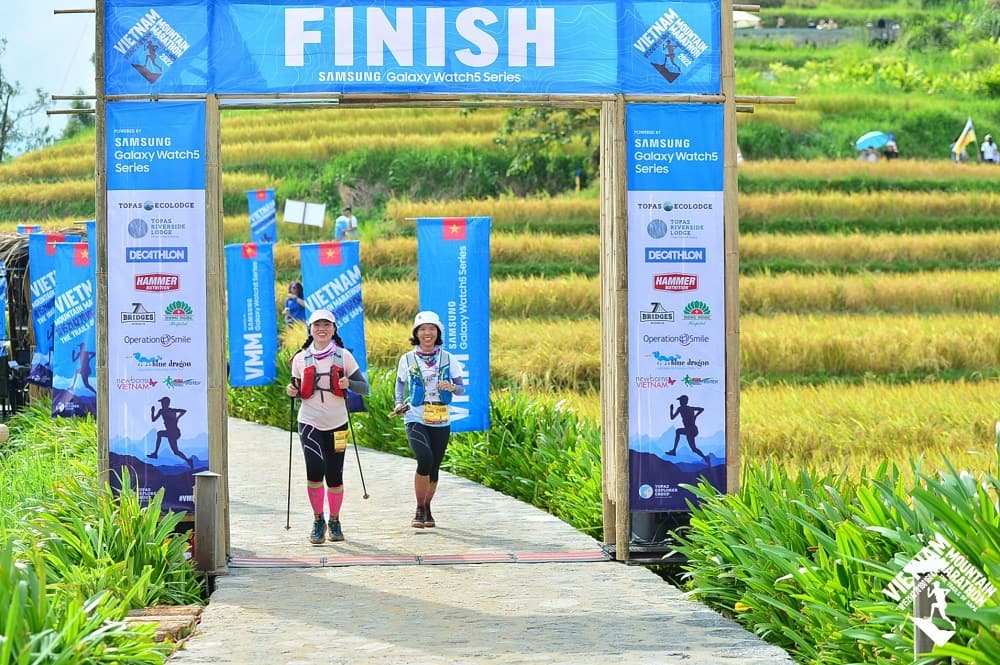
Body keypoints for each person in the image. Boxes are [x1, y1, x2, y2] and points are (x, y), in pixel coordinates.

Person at [286, 309, 369, 544]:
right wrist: (290, 390)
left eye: (327, 325)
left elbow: (364, 388)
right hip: (309, 421)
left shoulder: (344, 356)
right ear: (310, 329)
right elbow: (294, 387)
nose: (321, 329)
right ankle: (317, 519)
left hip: (338, 423)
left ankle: (334, 520)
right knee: (314, 469)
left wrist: (349, 382)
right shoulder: (300, 358)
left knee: (334, 475)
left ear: (334, 329)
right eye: (317, 325)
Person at [390, 311, 465, 529]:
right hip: (415, 416)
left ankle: (428, 506)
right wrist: (398, 402)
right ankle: (419, 508)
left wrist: (452, 387)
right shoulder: (407, 358)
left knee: (434, 466)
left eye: (431, 329)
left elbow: (461, 388)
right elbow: (400, 383)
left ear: (438, 332)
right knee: (424, 458)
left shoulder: (448, 359)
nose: (427, 333)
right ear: (416, 333)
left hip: (441, 417)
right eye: (422, 329)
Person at [666, 394, 710, 466]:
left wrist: (671, 409)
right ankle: (705, 458)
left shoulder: (680, 409)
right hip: (693, 430)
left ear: (684, 401)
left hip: (689, 430)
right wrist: (695, 416)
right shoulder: (691, 408)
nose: (680, 402)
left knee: (678, 431)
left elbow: (672, 417)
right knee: (694, 449)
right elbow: (701, 409)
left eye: (681, 400)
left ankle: (674, 451)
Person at [148, 396, 192, 467]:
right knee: (176, 452)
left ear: (167, 403)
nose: (161, 404)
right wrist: (152, 411)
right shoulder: (161, 411)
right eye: (161, 403)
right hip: (170, 432)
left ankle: (155, 453)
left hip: (174, 432)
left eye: (162, 402)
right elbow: (153, 420)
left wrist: (178, 418)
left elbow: (184, 411)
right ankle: (188, 460)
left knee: (160, 434)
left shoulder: (171, 410)